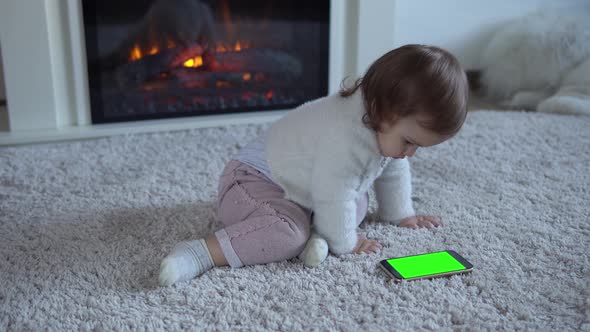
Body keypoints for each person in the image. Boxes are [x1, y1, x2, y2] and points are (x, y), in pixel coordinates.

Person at [159, 44, 469, 286]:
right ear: (383, 112)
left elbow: (391, 164)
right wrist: (346, 244)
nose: (410, 153)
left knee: (356, 201)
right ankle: (202, 253)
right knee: (289, 232)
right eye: (410, 142)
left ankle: (319, 234)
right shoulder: (345, 136)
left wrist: (401, 214)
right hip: (251, 181)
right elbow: (334, 194)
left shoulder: (383, 121)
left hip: (309, 185)